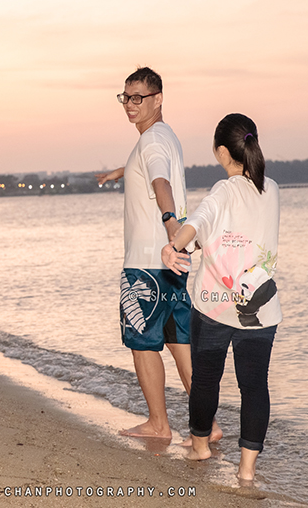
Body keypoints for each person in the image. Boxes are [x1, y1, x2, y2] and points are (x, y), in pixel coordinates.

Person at [96, 67, 221, 441]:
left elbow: (159, 181)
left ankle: (158, 424)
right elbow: (151, 167)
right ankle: (208, 425)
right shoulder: (164, 137)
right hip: (172, 262)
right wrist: (122, 172)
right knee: (179, 341)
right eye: (126, 97)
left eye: (138, 98)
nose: (130, 104)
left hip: (147, 263)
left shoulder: (150, 141)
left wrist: (170, 222)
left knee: (142, 343)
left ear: (158, 98)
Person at [161, 113, 282, 481]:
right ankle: (247, 470)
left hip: (214, 307)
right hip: (261, 308)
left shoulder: (223, 190)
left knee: (205, 380)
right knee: (254, 386)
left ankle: (200, 447)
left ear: (221, 152)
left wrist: (174, 247)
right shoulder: (272, 189)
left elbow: (196, 223)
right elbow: (229, 231)